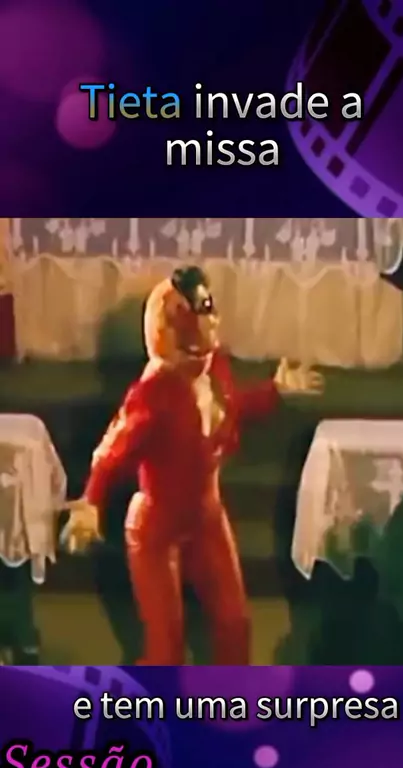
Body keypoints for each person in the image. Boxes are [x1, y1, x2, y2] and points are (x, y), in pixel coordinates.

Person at [62, 266, 323, 665]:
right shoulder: (153, 392)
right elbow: (114, 448)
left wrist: (275, 391)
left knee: (235, 623)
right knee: (166, 645)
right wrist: (91, 501)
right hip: (156, 530)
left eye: (209, 308)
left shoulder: (214, 367)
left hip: (206, 516)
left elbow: (231, 408)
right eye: (200, 311)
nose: (212, 320)